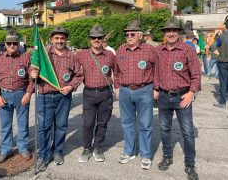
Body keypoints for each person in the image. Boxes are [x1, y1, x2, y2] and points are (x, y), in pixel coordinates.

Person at [153, 18, 201, 180]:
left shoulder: (188, 50)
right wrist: (156, 88)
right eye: (168, 31)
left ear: (179, 33)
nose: (171, 33)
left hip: (183, 96)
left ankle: (190, 163)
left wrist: (191, 92)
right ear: (164, 34)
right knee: (165, 129)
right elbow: (155, 71)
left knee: (187, 132)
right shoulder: (159, 51)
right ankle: (167, 156)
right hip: (164, 96)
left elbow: (196, 74)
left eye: (174, 30)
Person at [32, 26, 83, 172]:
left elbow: (79, 74)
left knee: (61, 126)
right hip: (45, 96)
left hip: (63, 97)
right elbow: (33, 66)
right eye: (57, 38)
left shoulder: (72, 56)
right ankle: (43, 155)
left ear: (65, 39)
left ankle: (57, 151)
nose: (60, 41)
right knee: (43, 128)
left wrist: (71, 87)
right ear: (51, 39)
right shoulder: (44, 54)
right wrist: (32, 73)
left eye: (62, 38)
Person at [114, 20, 156, 169]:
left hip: (144, 90)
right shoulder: (120, 50)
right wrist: (117, 88)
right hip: (125, 91)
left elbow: (156, 69)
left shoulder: (149, 50)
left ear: (140, 35)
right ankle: (128, 151)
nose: (129, 36)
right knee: (127, 123)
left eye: (132, 34)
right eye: (127, 34)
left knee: (145, 124)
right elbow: (116, 72)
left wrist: (155, 89)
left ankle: (145, 155)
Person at [0, 32, 35, 164]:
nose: (12, 46)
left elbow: (32, 78)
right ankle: (6, 150)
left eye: (14, 43)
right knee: (5, 126)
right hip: (4, 95)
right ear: (5, 44)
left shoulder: (26, 57)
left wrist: (28, 93)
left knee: (23, 125)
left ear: (18, 44)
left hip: (21, 95)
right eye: (9, 43)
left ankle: (23, 148)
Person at [76, 25, 115, 163]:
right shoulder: (81, 55)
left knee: (102, 123)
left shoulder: (110, 55)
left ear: (103, 39)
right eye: (94, 38)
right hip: (89, 94)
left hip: (105, 93)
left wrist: (119, 88)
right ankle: (87, 148)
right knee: (88, 123)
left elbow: (117, 72)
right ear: (90, 40)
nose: (97, 40)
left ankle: (97, 147)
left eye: (99, 37)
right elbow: (71, 69)